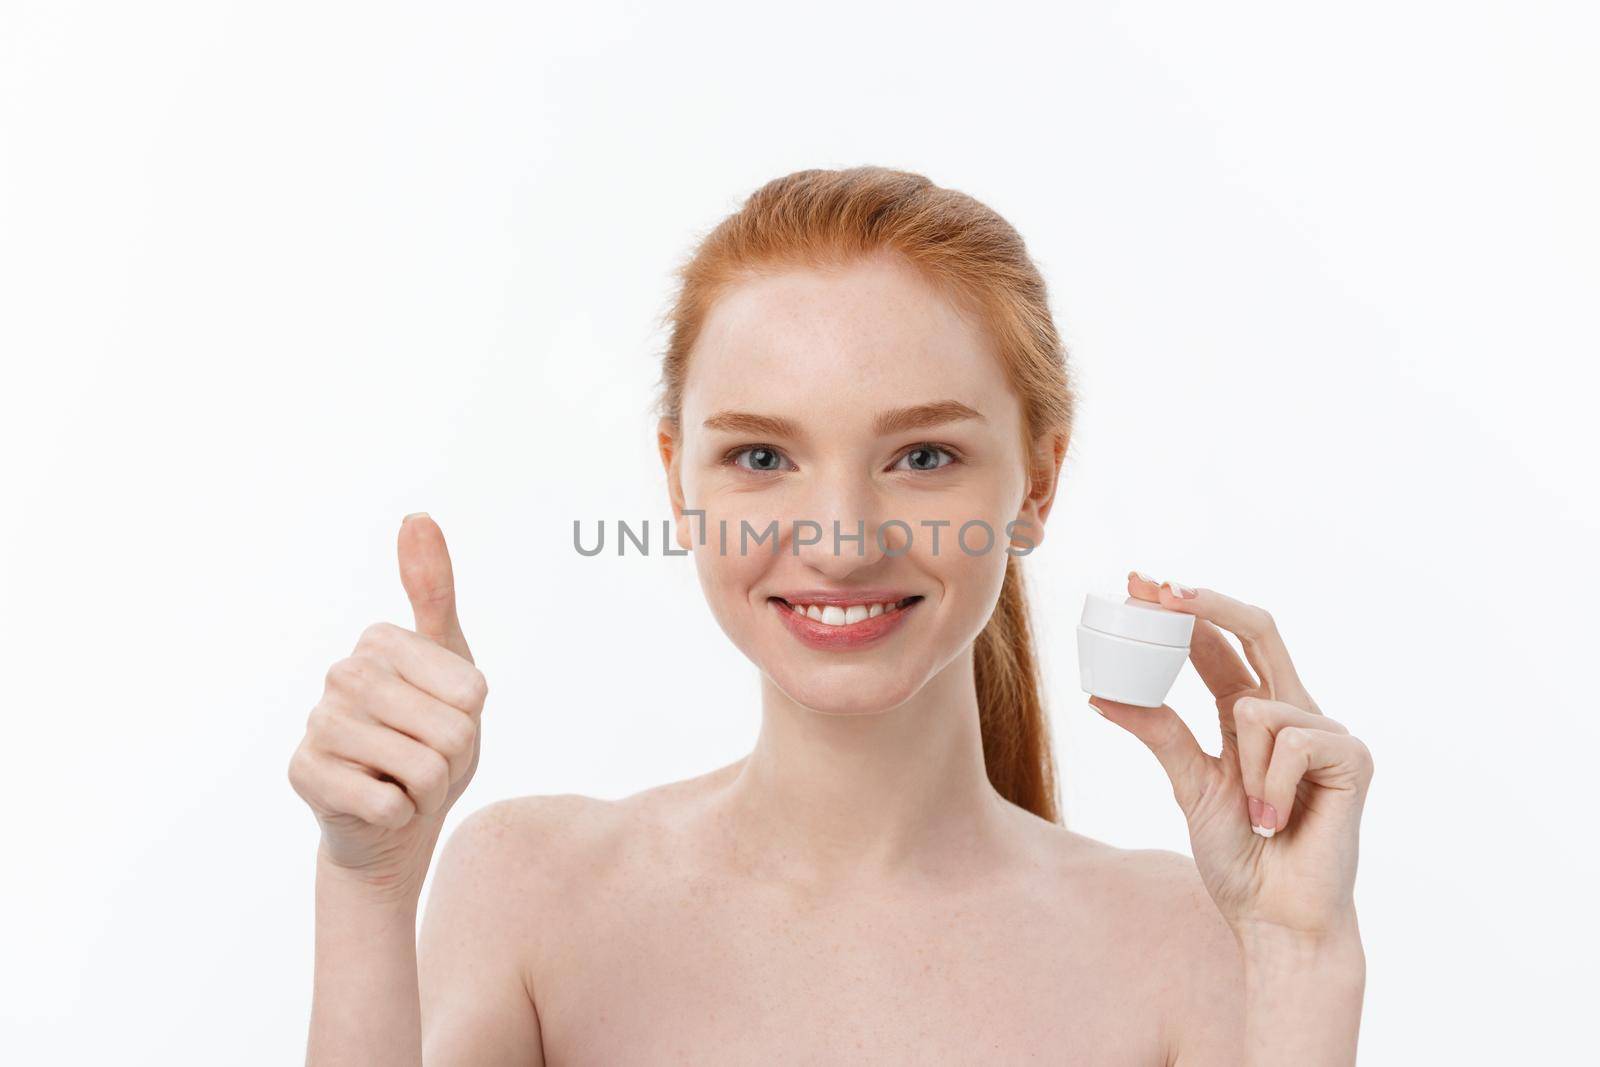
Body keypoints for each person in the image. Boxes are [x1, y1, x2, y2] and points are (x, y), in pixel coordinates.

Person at [288, 166, 1373, 1065]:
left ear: (1036, 482)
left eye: (923, 455)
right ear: (681, 482)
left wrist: (1298, 961)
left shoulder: (1192, 940)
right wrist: (366, 884)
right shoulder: (524, 889)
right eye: (761, 455)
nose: (843, 539)